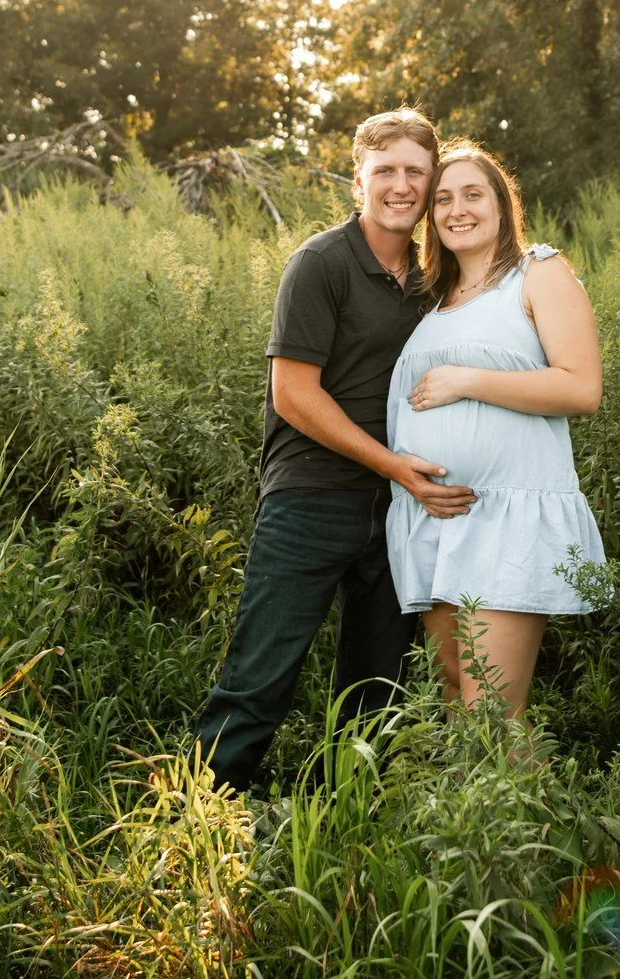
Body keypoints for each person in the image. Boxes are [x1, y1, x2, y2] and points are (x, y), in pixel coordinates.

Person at [193, 109, 476, 791]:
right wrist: (392, 466)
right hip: (311, 497)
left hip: (397, 511)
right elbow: (293, 393)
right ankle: (193, 824)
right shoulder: (322, 263)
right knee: (259, 678)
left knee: (373, 692)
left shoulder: (432, 277)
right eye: (386, 171)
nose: (401, 185)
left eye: (416, 171)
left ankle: (341, 827)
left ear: (431, 180)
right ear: (359, 180)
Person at [385, 143, 606, 719]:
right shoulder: (432, 301)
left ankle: (529, 813)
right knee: (455, 692)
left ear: (502, 206)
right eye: (443, 199)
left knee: (493, 709)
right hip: (435, 519)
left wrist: (467, 381)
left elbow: (582, 388)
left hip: (507, 518)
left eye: (472, 194)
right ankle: (467, 814)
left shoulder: (538, 272)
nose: (457, 209)